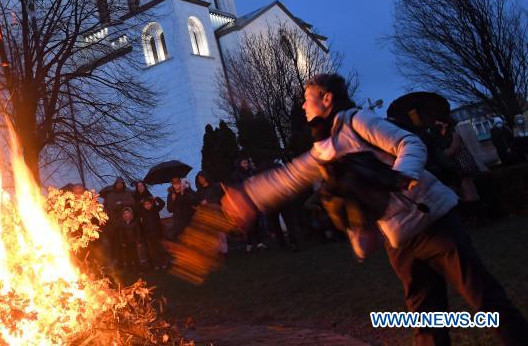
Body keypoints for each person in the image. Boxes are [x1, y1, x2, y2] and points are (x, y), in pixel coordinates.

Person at [221, 73, 528, 345]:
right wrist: (248, 197)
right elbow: (290, 176)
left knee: (486, 301)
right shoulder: (325, 146)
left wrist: (403, 177)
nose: (302, 106)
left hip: (432, 221)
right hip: (399, 239)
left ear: (327, 99)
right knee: (426, 324)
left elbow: (410, 143)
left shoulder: (357, 121)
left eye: (306, 98)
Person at [444, 121, 488, 224]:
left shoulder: (454, 135)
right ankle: (477, 215)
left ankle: (478, 216)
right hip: (459, 166)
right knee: (468, 190)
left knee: (469, 189)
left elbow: (453, 149)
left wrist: (445, 152)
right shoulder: (448, 136)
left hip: (462, 165)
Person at [231, 159, 267, 252]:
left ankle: (260, 243)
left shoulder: (252, 171)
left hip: (255, 199)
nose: (246, 164)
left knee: (258, 222)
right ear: (240, 164)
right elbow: (237, 187)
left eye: (246, 162)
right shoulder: (237, 175)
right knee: (249, 224)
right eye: (243, 163)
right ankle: (249, 244)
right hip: (245, 201)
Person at [137, 197, 168, 270]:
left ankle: (163, 263)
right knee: (152, 250)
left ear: (151, 204)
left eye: (149, 204)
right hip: (148, 235)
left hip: (158, 233)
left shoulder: (155, 209)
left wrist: (156, 198)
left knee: (160, 249)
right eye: (146, 204)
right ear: (143, 205)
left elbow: (162, 203)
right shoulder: (142, 212)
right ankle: (156, 264)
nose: (147, 205)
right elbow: (136, 208)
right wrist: (140, 202)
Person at [111, 207, 141, 274]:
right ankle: (129, 270)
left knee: (135, 256)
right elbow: (121, 234)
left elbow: (138, 232)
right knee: (128, 257)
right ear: (123, 215)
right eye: (125, 213)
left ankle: (138, 269)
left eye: (128, 213)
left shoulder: (135, 222)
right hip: (126, 242)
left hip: (133, 242)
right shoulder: (122, 224)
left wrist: (138, 241)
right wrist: (122, 242)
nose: (126, 214)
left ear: (131, 214)